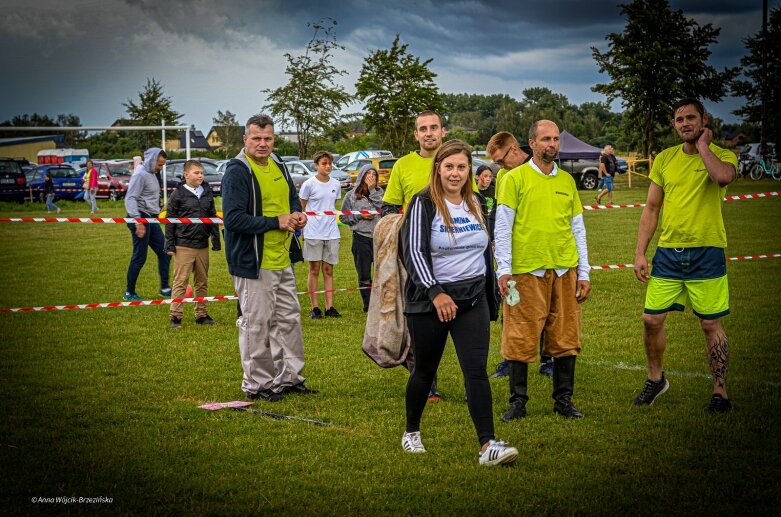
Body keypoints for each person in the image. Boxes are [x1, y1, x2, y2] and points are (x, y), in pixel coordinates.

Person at [399, 139, 518, 466]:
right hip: (430, 301)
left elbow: (484, 248)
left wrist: (494, 281)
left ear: (470, 171)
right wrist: (436, 293)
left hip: (472, 299)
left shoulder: (477, 202)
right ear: (438, 168)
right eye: (448, 166)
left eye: (461, 167)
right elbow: (414, 253)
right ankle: (411, 431)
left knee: (475, 371)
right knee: (424, 370)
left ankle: (487, 445)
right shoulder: (422, 204)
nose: (455, 173)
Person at [632, 98, 737, 413]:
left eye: (691, 118)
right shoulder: (664, 159)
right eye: (679, 120)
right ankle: (656, 379)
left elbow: (722, 178)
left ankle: (720, 391)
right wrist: (640, 252)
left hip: (707, 252)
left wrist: (704, 146)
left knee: (710, 325)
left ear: (703, 119)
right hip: (668, 254)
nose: (684, 124)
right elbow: (652, 208)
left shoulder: (723, 155)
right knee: (651, 319)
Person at [495, 120, 591, 421]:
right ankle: (518, 402)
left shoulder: (566, 182)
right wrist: (504, 269)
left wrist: (584, 272)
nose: (551, 144)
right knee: (520, 335)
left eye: (554, 139)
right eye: (545, 139)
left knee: (565, 336)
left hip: (564, 271)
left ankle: (564, 400)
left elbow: (578, 228)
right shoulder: (514, 179)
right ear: (531, 143)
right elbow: (502, 227)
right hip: (525, 273)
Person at [222, 114, 316, 402]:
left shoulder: (279, 163)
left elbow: (290, 199)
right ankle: (257, 385)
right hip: (253, 263)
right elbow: (234, 219)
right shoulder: (237, 171)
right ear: (245, 140)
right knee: (257, 324)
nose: (263, 144)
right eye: (256, 139)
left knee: (289, 320)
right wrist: (277, 221)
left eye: (268, 139)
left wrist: (296, 215)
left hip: (282, 257)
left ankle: (289, 378)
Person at [381, 110, 448, 402]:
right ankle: (426, 380)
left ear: (443, 131)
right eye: (424, 128)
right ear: (416, 135)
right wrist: (405, 225)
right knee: (420, 318)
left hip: (452, 254)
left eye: (434, 127)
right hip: (415, 255)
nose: (429, 133)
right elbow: (388, 209)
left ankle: (473, 379)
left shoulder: (454, 161)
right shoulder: (403, 165)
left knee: (459, 318)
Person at [485, 132, 556, 379]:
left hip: (544, 255)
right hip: (514, 258)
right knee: (512, 308)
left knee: (546, 310)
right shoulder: (505, 176)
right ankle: (510, 359)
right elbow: (499, 215)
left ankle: (548, 359)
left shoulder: (543, 170)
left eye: (502, 160)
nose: (500, 167)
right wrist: (495, 241)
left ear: (514, 150)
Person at [164, 160, 221, 329]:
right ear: (186, 174)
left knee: (202, 282)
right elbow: (170, 220)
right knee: (180, 281)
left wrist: (215, 238)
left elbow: (212, 217)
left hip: (202, 244)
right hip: (183, 245)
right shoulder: (178, 194)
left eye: (202, 173)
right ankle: (175, 316)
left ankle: (201, 315)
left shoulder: (207, 192)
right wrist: (169, 244)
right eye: (197, 173)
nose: (201, 176)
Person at [123, 148, 172, 301]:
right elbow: (130, 199)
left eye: (163, 164)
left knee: (165, 251)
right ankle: (129, 292)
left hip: (151, 218)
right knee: (139, 257)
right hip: (140, 217)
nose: (160, 167)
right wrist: (138, 221)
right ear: (151, 160)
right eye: (159, 164)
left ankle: (165, 288)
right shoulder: (140, 174)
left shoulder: (152, 173)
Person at [299, 151, 342, 319]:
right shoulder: (308, 184)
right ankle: (315, 307)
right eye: (324, 163)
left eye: (330, 163)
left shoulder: (336, 184)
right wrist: (302, 229)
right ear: (316, 165)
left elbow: (332, 205)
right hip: (313, 232)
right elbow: (301, 208)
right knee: (314, 269)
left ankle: (329, 306)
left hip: (331, 233)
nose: (328, 166)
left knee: (328, 269)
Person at [340, 164, 383, 312]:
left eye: (374, 174)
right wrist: (359, 216)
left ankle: (381, 302)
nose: (371, 176)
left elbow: (382, 208)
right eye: (368, 173)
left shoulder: (380, 193)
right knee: (364, 273)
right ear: (362, 176)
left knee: (381, 272)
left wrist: (372, 191)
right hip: (361, 238)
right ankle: (368, 304)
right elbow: (343, 217)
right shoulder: (351, 195)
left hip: (379, 238)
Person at [475, 165, 496, 236]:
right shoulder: (473, 191)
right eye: (485, 176)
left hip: (491, 228)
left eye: (490, 177)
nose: (488, 179)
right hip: (477, 228)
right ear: (477, 177)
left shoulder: (494, 190)